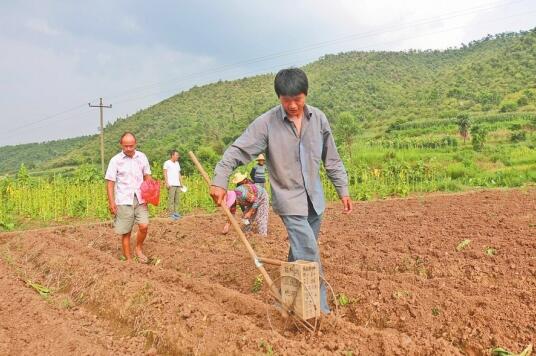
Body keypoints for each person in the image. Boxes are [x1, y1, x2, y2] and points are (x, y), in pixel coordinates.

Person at [210, 68, 352, 314]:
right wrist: (220, 179)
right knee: (308, 252)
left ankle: (285, 301)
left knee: (298, 252)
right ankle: (321, 312)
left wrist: (343, 189)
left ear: (305, 95)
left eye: (298, 99)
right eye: (287, 101)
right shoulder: (267, 123)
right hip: (289, 200)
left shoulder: (318, 119)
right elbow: (238, 150)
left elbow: (332, 159)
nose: (293, 105)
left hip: (315, 201)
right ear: (279, 98)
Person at [105, 132, 152, 263]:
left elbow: (147, 176)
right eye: (126, 146)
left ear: (135, 144)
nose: (128, 149)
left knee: (144, 226)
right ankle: (129, 260)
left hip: (140, 198)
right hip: (124, 199)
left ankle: (138, 248)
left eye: (131, 146)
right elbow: (110, 183)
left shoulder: (142, 157)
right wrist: (112, 202)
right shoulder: (115, 160)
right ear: (121, 145)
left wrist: (150, 193)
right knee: (126, 231)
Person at [163, 150, 182, 220]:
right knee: (171, 200)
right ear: (172, 155)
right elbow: (165, 173)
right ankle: (171, 214)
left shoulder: (177, 163)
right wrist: (167, 183)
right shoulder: (167, 163)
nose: (178, 156)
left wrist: (181, 183)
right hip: (171, 184)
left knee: (177, 200)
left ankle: (176, 213)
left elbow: (179, 173)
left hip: (177, 184)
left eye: (178, 155)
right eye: (177, 155)